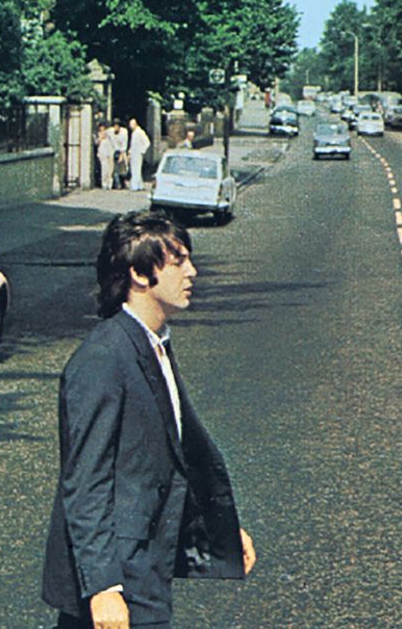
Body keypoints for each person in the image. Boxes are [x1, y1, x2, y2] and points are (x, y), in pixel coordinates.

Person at [41, 211, 255, 628]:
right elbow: (86, 482)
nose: (192, 272)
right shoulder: (104, 357)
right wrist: (103, 589)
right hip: (120, 576)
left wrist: (224, 530)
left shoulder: (151, 344)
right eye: (178, 262)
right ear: (140, 274)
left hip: (145, 565)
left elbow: (171, 460)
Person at [127, 117, 151, 192]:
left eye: (132, 124)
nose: (130, 126)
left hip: (138, 154)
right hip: (134, 153)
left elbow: (147, 142)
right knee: (135, 169)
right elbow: (132, 144)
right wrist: (130, 152)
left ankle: (135, 186)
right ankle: (139, 185)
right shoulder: (134, 133)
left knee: (136, 169)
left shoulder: (140, 132)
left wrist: (142, 151)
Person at [96, 122, 118, 192]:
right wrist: (100, 138)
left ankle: (109, 183)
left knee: (110, 169)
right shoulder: (98, 135)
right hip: (103, 153)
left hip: (110, 152)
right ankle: (104, 183)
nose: (102, 129)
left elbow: (113, 140)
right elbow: (96, 143)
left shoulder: (109, 133)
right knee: (104, 168)